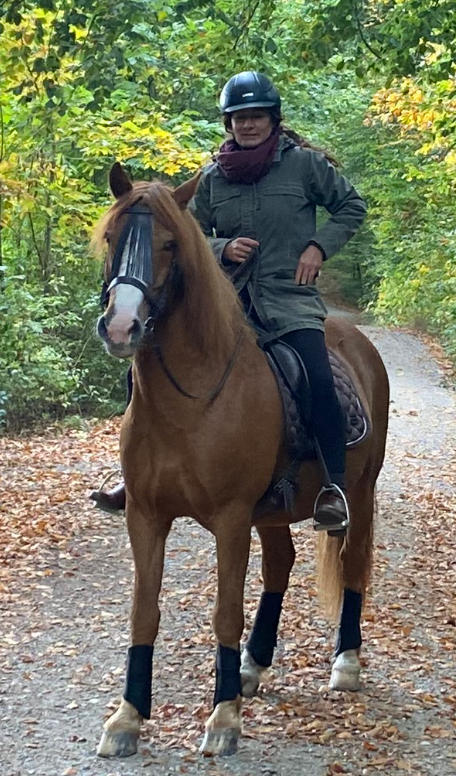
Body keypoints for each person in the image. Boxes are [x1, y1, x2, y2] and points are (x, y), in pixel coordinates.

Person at [92, 70, 366, 534]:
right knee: (142, 366)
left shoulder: (304, 166)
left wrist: (318, 248)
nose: (248, 125)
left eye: (257, 117)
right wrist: (222, 249)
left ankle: (332, 488)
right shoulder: (213, 178)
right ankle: (135, 475)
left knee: (317, 378)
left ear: (273, 120)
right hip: (225, 302)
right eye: (239, 118)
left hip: (288, 301)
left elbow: (351, 206)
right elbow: (182, 236)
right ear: (228, 124)